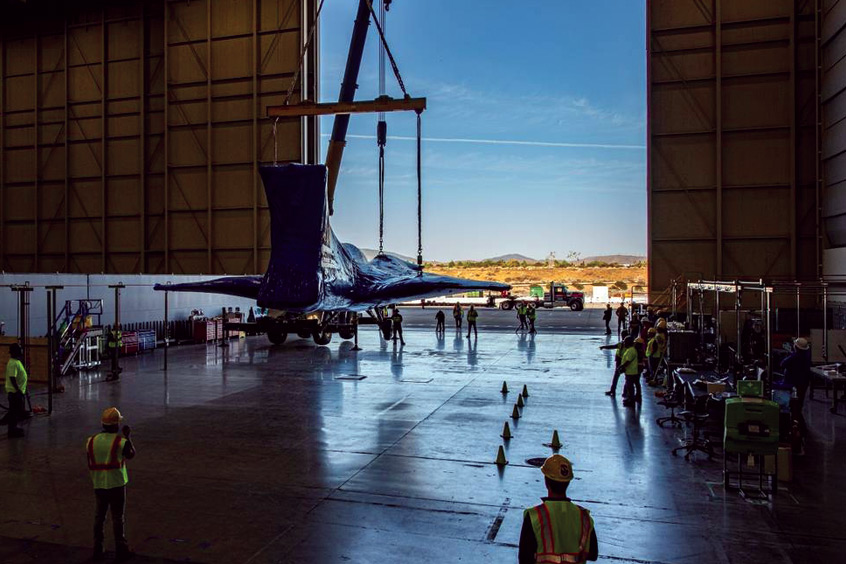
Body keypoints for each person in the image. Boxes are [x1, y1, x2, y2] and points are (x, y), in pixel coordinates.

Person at [518, 454, 598, 564]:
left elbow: (524, 559)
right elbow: (593, 554)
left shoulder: (535, 516)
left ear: (546, 482)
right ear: (568, 482)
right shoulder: (584, 517)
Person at [87, 407, 136, 562]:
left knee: (99, 517)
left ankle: (97, 548)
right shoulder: (120, 442)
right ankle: (121, 549)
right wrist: (128, 437)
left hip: (99, 483)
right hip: (116, 483)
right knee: (117, 517)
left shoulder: (91, 441)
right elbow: (131, 454)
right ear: (116, 425)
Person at [780, 337, 811, 434]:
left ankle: (799, 428)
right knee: (798, 405)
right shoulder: (806, 356)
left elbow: (782, 364)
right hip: (803, 384)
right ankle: (800, 426)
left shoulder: (795, 356)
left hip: (793, 385)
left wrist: (790, 355)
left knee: (794, 406)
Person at [5, 343, 27, 438]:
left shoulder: (17, 361)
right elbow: (12, 378)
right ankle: (11, 430)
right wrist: (17, 390)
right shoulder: (12, 363)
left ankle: (13, 428)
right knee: (14, 411)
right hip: (14, 392)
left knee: (15, 411)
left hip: (18, 391)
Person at [602, 330, 629, 397]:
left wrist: (604, 347)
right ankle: (622, 392)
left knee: (621, 377)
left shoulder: (623, 344)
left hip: (623, 362)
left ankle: (622, 392)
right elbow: (613, 346)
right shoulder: (624, 344)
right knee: (623, 378)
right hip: (622, 361)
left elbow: (613, 346)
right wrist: (604, 347)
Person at [619, 336, 641, 406]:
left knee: (630, 386)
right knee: (632, 385)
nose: (624, 343)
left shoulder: (631, 350)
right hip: (631, 371)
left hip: (631, 371)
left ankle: (631, 399)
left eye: (625, 342)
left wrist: (622, 366)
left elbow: (628, 361)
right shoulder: (630, 349)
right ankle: (632, 397)